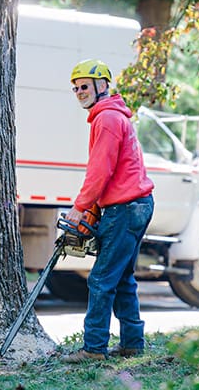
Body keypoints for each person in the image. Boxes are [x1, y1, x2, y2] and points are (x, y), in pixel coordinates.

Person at [62, 59, 154, 363]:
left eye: (84, 86)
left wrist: (81, 207)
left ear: (102, 86)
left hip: (125, 208)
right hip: (135, 205)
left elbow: (100, 171)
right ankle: (131, 343)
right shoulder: (111, 116)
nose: (79, 92)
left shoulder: (108, 119)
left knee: (101, 279)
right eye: (75, 88)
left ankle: (94, 348)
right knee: (123, 278)